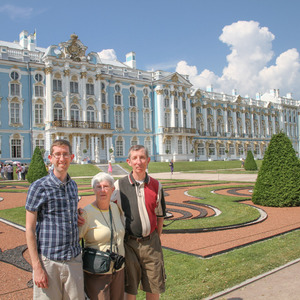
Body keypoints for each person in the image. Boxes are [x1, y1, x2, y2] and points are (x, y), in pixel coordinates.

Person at [25, 139, 84, 300]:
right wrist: (37, 267)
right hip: (49, 262)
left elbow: (67, 213)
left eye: (65, 154)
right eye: (57, 154)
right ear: (50, 158)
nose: (61, 158)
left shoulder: (73, 186)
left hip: (73, 261)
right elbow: (29, 229)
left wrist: (76, 215)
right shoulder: (38, 187)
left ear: (71, 157)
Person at [113, 145, 166, 300]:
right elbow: (109, 210)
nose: (139, 162)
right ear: (128, 161)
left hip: (151, 243)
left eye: (142, 157)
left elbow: (160, 216)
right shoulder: (119, 186)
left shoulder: (156, 185)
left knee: (154, 286)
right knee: (130, 289)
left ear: (148, 160)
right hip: (129, 245)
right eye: (135, 158)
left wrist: (156, 237)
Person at [79, 172, 125, 300]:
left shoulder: (116, 208)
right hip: (97, 271)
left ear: (112, 189)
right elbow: (76, 240)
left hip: (118, 268)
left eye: (106, 186)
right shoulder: (86, 213)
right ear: (93, 189)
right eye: (98, 187)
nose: (102, 190)